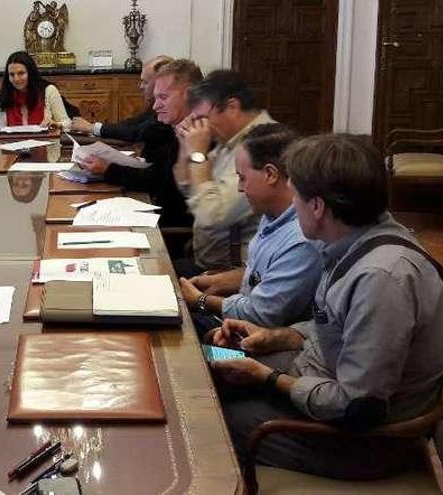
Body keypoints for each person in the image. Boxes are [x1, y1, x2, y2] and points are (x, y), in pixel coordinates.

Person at [208, 134, 443, 479]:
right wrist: (275, 337)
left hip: (362, 443)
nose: (293, 207)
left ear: (317, 206)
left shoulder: (380, 278)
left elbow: (357, 407)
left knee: (211, 416)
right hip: (318, 380)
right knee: (210, 364)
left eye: (297, 197)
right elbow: (334, 328)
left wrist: (268, 377)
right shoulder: (352, 243)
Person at [179, 124, 322, 331]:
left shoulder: (302, 237)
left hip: (258, 341)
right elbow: (265, 274)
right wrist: (220, 281)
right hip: (238, 319)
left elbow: (262, 314)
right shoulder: (273, 214)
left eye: (242, 177)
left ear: (270, 175)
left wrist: (202, 300)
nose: (239, 187)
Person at [79, 59, 203, 230]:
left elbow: (161, 183)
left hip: (169, 233)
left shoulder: (199, 134)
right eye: (156, 97)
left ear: (189, 95)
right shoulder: (179, 127)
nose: (156, 105)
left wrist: (109, 169)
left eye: (163, 97)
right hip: (152, 215)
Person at [174, 70, 272, 275]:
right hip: (206, 262)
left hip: (232, 275)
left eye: (203, 118)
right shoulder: (229, 140)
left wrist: (198, 153)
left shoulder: (262, 145)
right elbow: (186, 188)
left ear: (232, 107)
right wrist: (186, 148)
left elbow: (211, 215)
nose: (201, 127)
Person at [70, 54, 173, 141]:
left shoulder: (169, 109)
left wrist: (91, 128)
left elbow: (138, 132)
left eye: (145, 82)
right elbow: (131, 124)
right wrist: (94, 127)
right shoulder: (156, 105)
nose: (140, 86)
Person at [0, 51, 71, 130]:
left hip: (45, 141)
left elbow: (67, 123)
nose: (16, 79)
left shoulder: (49, 91)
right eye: (12, 74)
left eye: (21, 73)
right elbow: (1, 131)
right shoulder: (1, 97)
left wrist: (57, 124)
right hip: (13, 141)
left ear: (30, 73)